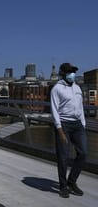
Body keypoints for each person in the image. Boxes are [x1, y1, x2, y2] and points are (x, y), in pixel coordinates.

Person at [50, 63, 87, 198]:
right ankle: (63, 186)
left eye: (73, 72)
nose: (72, 74)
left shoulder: (77, 88)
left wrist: (83, 124)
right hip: (64, 124)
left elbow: (80, 107)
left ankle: (72, 182)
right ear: (63, 73)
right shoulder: (57, 89)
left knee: (83, 153)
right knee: (63, 157)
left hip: (77, 125)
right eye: (70, 72)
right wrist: (59, 128)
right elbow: (54, 110)